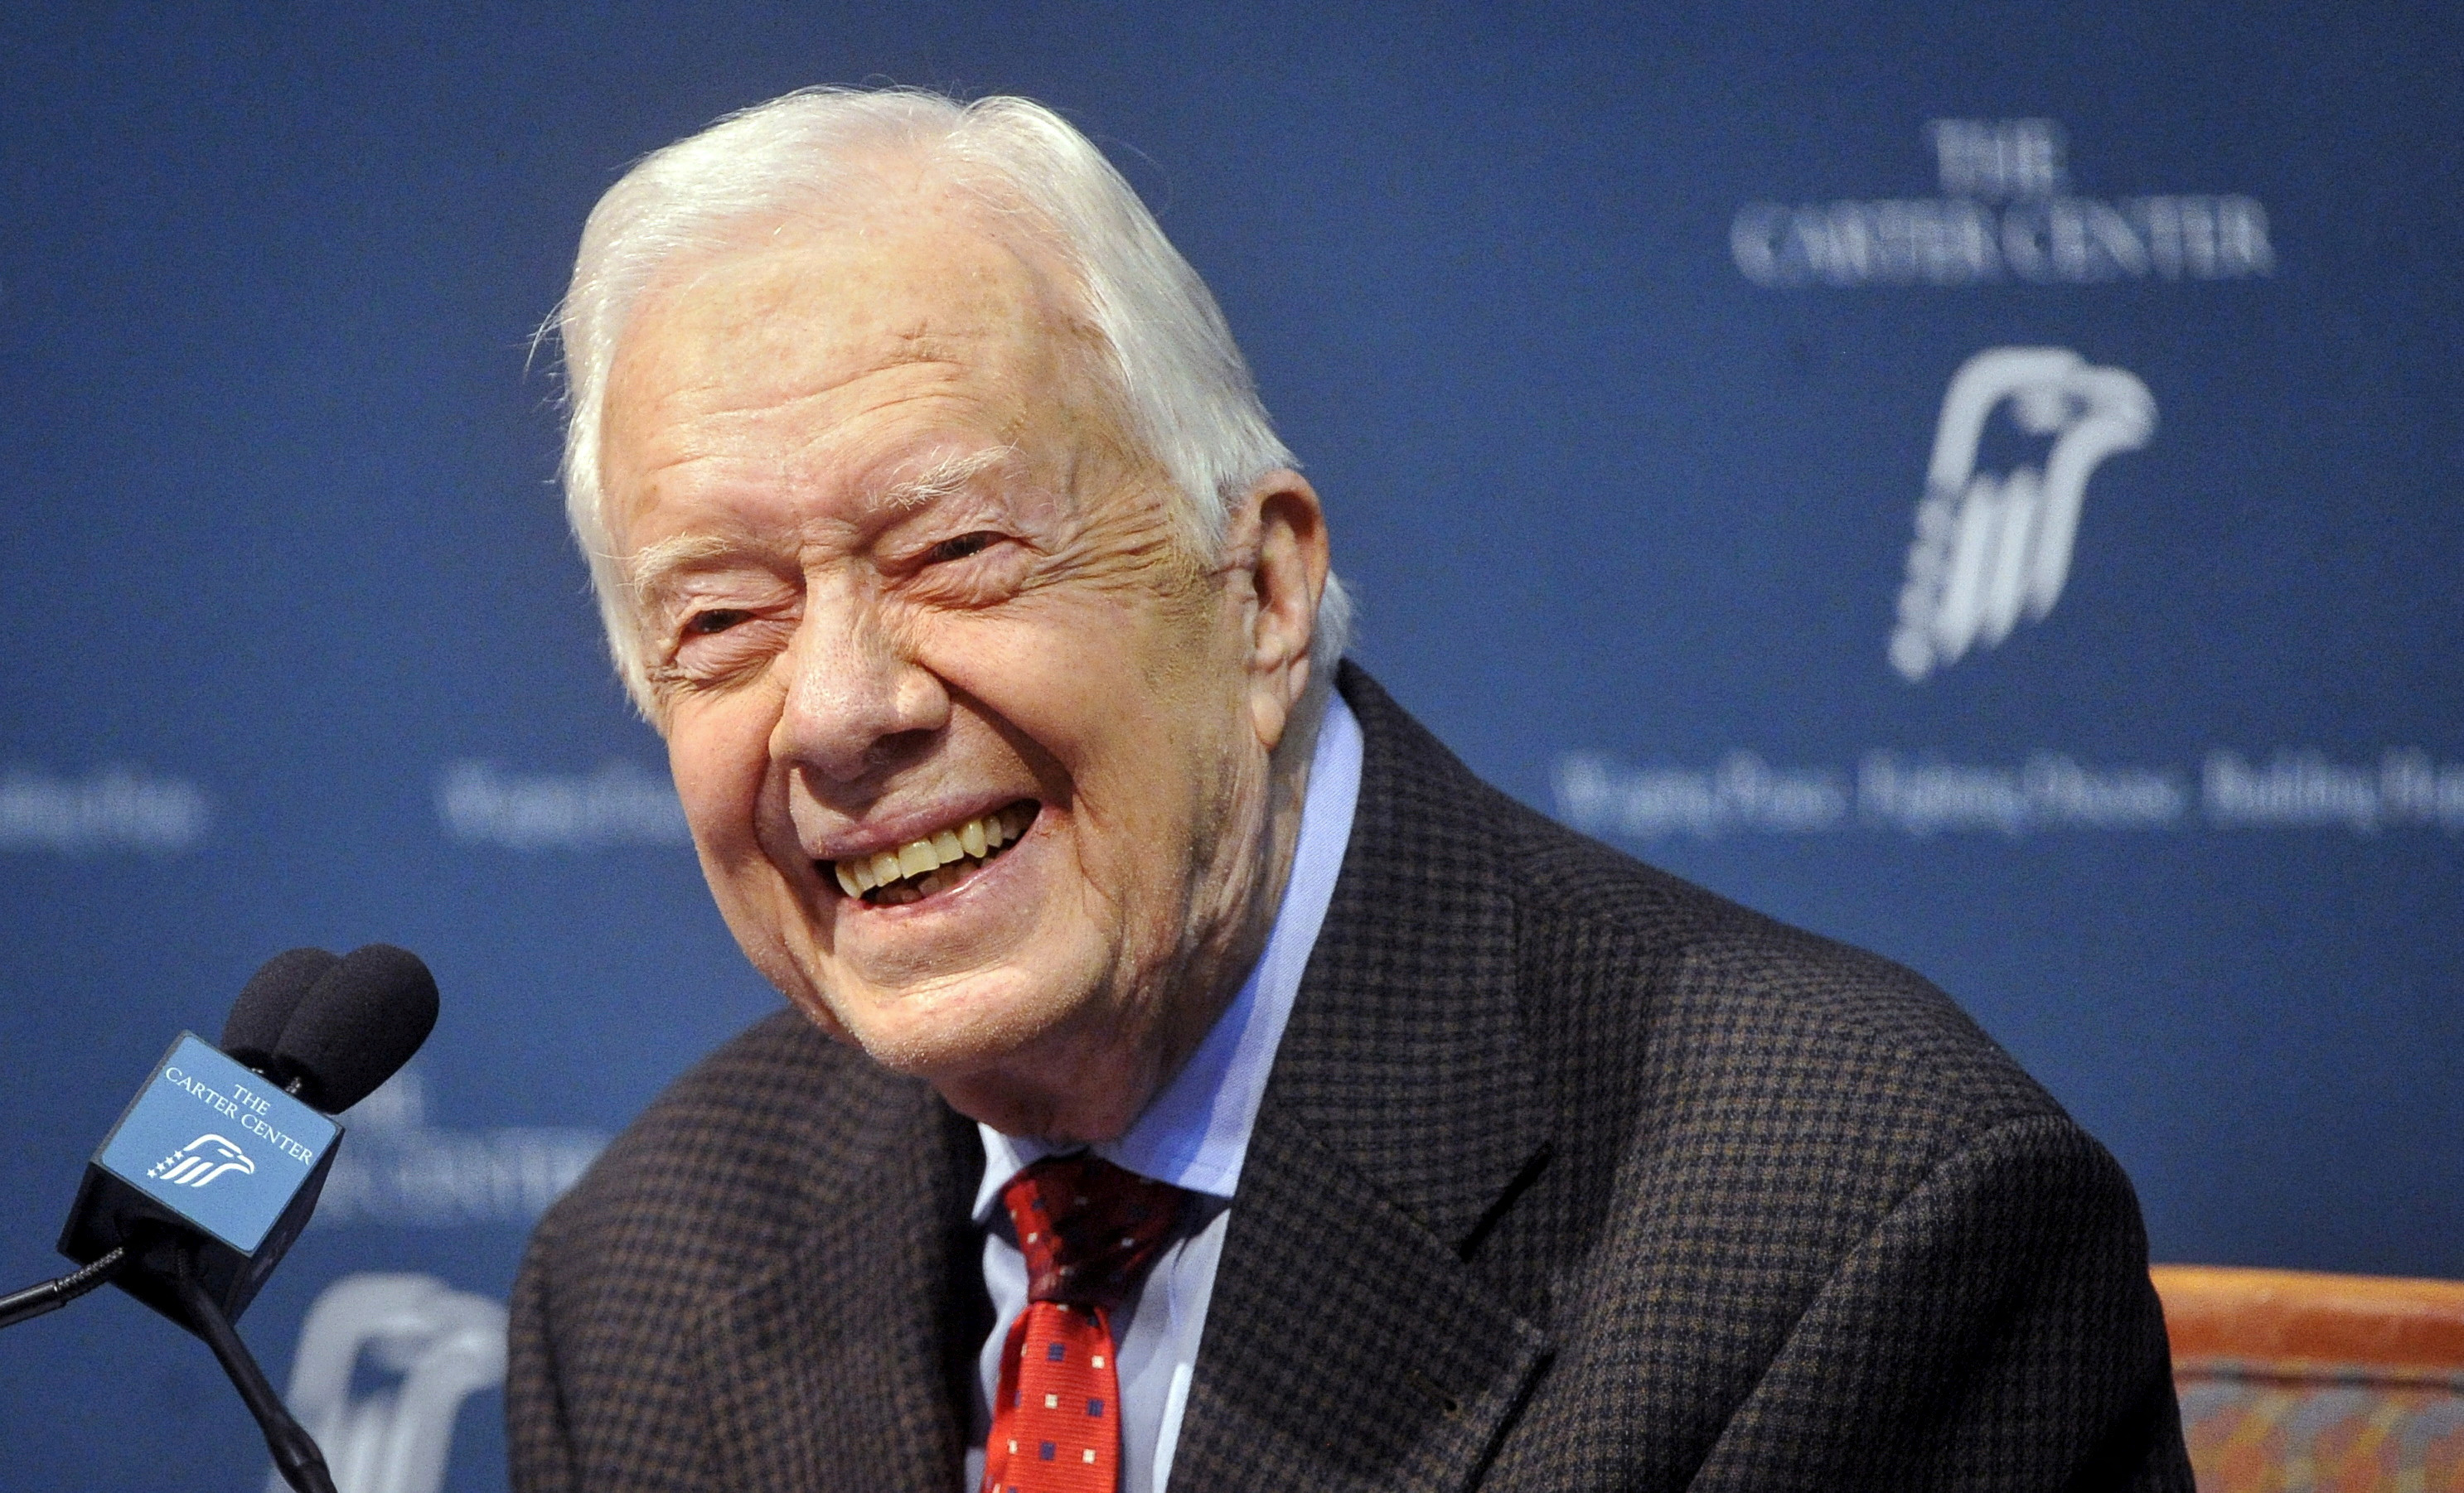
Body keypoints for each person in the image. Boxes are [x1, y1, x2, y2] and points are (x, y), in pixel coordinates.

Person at [506, 86, 2190, 1492]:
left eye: (955, 550)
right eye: (721, 621)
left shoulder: (1850, 1222)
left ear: (1258, 591)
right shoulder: (639, 1277)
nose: (840, 710)